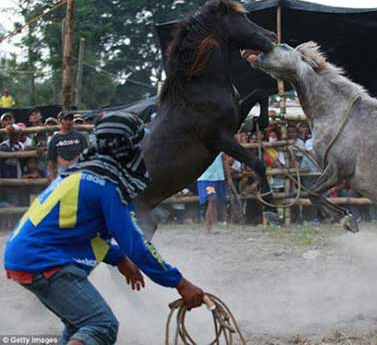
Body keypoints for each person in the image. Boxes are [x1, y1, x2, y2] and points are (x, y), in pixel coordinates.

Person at [4, 112, 205, 345]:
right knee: (101, 325)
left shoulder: (79, 173)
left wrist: (118, 258)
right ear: (126, 148)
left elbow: (78, 230)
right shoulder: (108, 186)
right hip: (45, 261)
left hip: (27, 256)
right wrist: (179, 282)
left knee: (80, 325)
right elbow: (135, 243)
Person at [47, 111, 88, 181]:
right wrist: (52, 177)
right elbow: (51, 159)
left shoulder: (80, 136)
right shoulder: (54, 139)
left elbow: (86, 154)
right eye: (65, 119)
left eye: (70, 119)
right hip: (62, 170)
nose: (68, 122)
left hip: (78, 168)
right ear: (60, 121)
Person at [197, 152, 229, 233]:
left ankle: (213, 225)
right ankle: (208, 225)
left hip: (218, 176)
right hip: (205, 177)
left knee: (214, 201)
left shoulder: (220, 144)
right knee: (212, 198)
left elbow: (224, 160)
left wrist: (229, 178)